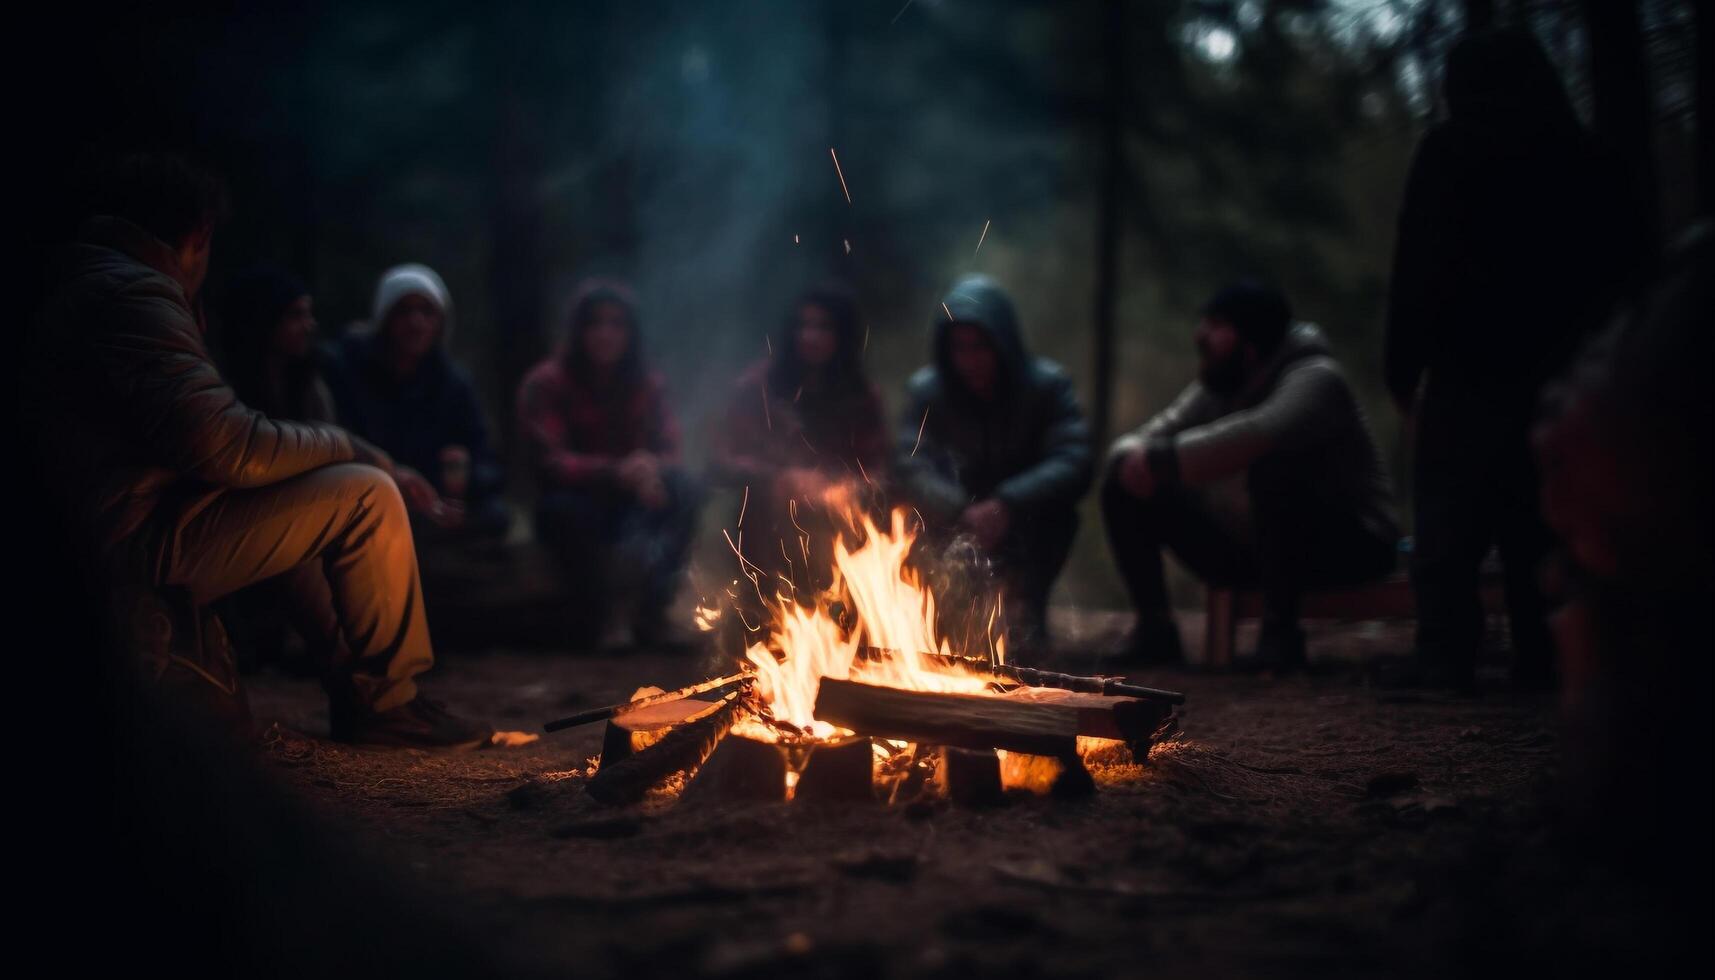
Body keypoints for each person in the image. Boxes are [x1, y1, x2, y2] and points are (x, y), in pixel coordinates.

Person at [26, 151, 490, 748]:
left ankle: (363, 690)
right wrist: (360, 449)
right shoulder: (133, 295)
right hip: (126, 541)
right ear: (197, 235)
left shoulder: (92, 280)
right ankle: (388, 700)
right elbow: (227, 446)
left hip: (119, 523)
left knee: (305, 498)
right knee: (366, 493)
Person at [1384, 28, 1645, 691]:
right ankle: (1541, 654)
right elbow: (1623, 274)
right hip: (1560, 373)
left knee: (1447, 524)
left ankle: (1444, 656)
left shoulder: (1449, 152)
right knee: (1537, 518)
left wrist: (1402, 367)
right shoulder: (1587, 159)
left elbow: (1415, 265)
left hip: (1467, 373)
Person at [1104, 282, 1397, 669]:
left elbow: (1260, 432)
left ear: (1251, 340)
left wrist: (1160, 460)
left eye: (1216, 324)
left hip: (1353, 547)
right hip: (1258, 546)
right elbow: (1142, 441)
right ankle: (1156, 630)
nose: (1201, 335)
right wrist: (1132, 459)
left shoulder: (1318, 378)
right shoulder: (1223, 382)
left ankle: (1280, 636)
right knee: (1122, 483)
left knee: (1275, 466)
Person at [894, 275, 1092, 650]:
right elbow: (910, 462)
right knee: (899, 509)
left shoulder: (1047, 387)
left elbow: (1074, 458)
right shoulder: (927, 391)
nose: (970, 359)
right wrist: (960, 509)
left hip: (1024, 520)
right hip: (952, 521)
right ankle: (941, 617)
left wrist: (1007, 503)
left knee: (1060, 512)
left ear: (1003, 342)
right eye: (960, 348)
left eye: (981, 346)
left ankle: (1024, 611)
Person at [517, 279, 699, 648]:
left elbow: (670, 449)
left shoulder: (647, 383)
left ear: (631, 333)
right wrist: (617, 473)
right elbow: (550, 462)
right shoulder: (547, 382)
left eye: (617, 324)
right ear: (579, 331)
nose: (606, 334)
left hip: (634, 497)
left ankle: (652, 611)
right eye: (595, 323)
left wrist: (650, 468)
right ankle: (602, 617)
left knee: (686, 490)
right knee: (564, 510)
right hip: (577, 499)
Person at [709, 282, 889, 604]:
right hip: (766, 517)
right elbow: (722, 459)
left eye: (823, 327)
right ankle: (762, 605)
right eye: (803, 326)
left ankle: (847, 606)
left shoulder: (860, 396)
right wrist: (778, 478)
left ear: (842, 335)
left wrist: (841, 488)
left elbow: (878, 469)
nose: (810, 336)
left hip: (838, 515)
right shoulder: (760, 387)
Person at [322, 264, 509, 538]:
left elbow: (487, 460)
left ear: (441, 321)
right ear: (384, 318)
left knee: (494, 516)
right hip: (376, 492)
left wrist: (464, 483)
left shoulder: (453, 383)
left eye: (426, 311)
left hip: (436, 499)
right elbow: (339, 444)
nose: (416, 322)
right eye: (404, 311)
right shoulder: (347, 370)